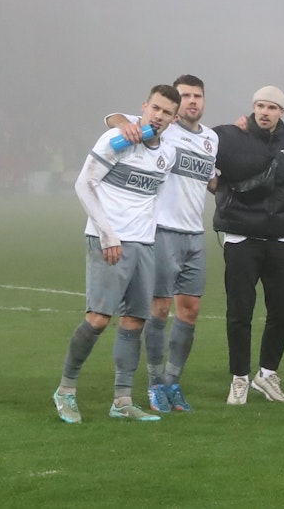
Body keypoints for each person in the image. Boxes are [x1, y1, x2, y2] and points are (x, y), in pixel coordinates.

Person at [55, 85, 180, 423]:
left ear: (173, 118)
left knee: (135, 321)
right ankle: (65, 391)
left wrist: (149, 240)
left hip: (143, 245)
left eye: (167, 112)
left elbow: (151, 199)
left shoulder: (166, 154)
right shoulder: (115, 140)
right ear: (144, 106)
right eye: (155, 107)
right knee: (98, 319)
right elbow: (84, 184)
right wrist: (107, 234)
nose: (159, 115)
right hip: (108, 239)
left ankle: (122, 401)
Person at [103, 75, 216, 413]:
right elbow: (116, 120)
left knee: (191, 310)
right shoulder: (162, 128)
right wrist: (122, 121)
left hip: (195, 234)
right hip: (162, 230)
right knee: (160, 309)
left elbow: (211, 179)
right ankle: (154, 385)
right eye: (185, 96)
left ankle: (172, 381)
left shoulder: (211, 138)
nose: (192, 101)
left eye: (197, 96)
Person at [213, 86, 284, 405]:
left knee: (283, 312)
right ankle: (239, 379)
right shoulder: (231, 135)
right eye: (260, 105)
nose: (264, 111)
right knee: (240, 312)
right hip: (240, 235)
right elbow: (197, 151)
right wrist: (211, 179)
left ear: (281, 113)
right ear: (253, 107)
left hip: (280, 236)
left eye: (272, 107)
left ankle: (267, 374)